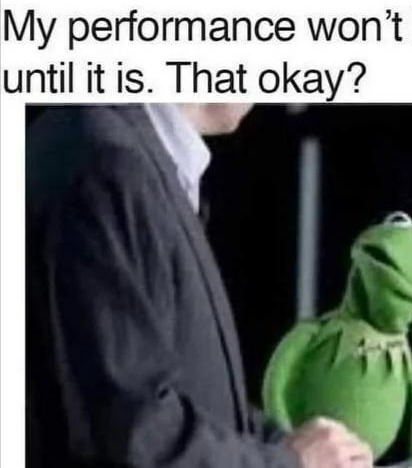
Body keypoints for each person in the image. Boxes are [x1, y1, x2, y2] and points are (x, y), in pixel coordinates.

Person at [26, 104, 373, 468]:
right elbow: (134, 433)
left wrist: (291, 447)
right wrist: (288, 462)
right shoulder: (108, 164)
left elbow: (183, 398)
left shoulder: (121, 150)